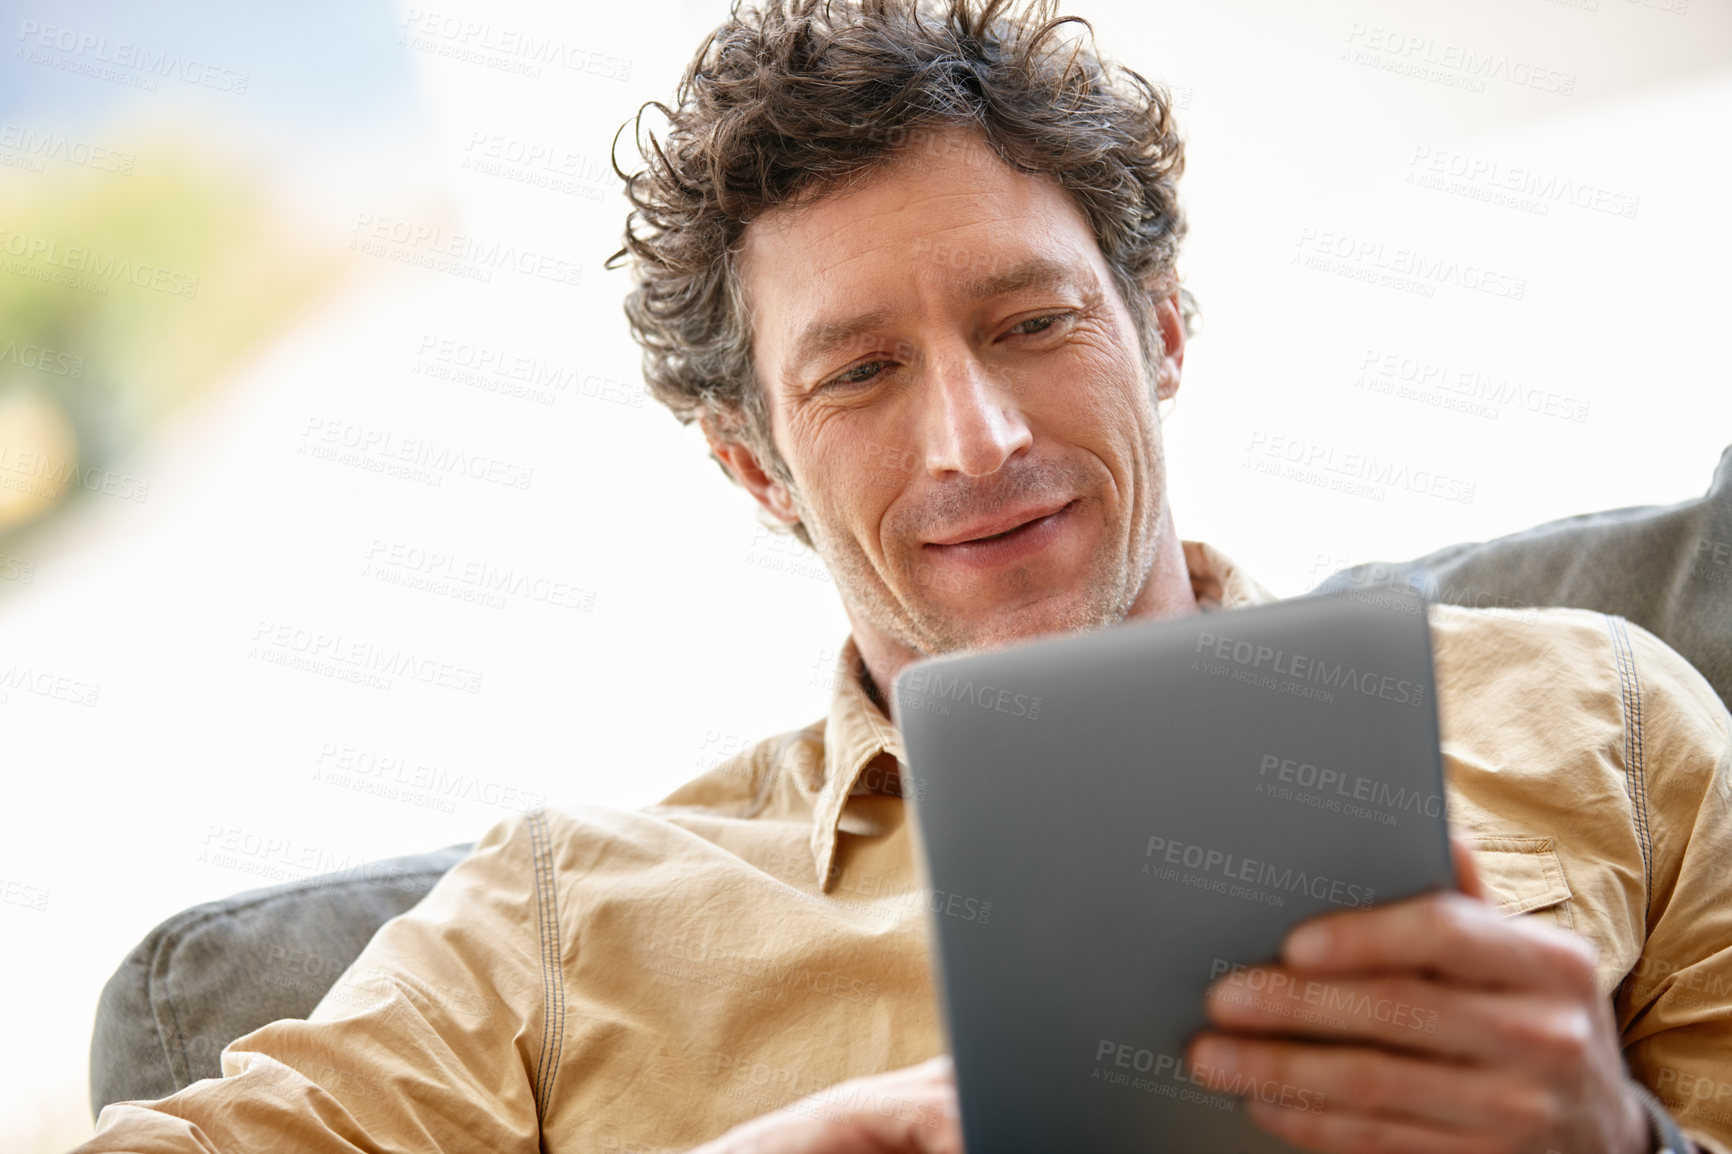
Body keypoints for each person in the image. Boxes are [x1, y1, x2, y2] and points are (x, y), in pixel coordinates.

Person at [78, 2, 1732, 1152]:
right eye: (857, 374)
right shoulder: (548, 928)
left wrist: (1613, 1138)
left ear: (1161, 329)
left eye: (1032, 322)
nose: (974, 439)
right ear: (751, 462)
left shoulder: (1599, 714)